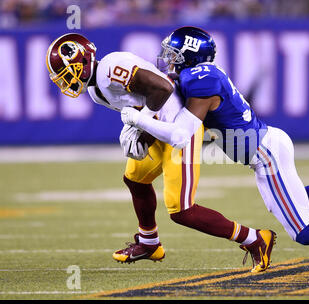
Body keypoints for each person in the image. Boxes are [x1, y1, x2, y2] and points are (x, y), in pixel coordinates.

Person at [121, 26, 309, 273]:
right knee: (289, 206)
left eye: (174, 55)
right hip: (267, 147)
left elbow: (181, 134)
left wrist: (137, 118)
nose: (168, 60)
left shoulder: (201, 80)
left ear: (191, 57)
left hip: (265, 154)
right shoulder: (199, 75)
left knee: (303, 232)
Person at [45, 32, 276, 273]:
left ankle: (256, 239)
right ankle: (149, 243)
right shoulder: (96, 90)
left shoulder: (110, 68)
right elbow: (142, 103)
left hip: (178, 129)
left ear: (80, 63)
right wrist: (140, 131)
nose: (65, 82)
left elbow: (162, 88)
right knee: (135, 179)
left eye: (66, 74)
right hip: (160, 128)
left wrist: (141, 124)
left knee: (182, 211)